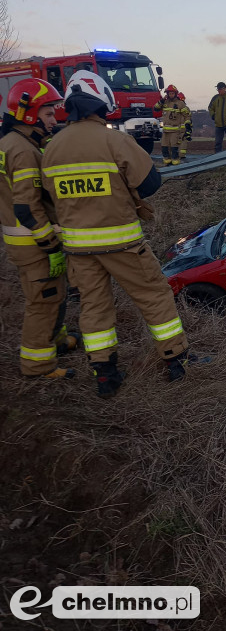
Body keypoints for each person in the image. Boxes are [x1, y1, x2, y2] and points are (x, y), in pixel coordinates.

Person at [41, 71, 191, 398]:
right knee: (154, 295)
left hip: (79, 249)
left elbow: (52, 198)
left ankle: (106, 374)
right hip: (122, 243)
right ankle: (177, 360)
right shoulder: (114, 140)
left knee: (94, 307)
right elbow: (150, 184)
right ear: (101, 103)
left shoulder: (52, 148)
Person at [0, 79, 80, 380]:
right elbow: (27, 207)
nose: (54, 120)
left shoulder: (12, 142)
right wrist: (50, 244)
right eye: (48, 114)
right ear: (29, 114)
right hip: (34, 244)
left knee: (54, 294)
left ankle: (56, 341)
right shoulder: (22, 151)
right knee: (42, 301)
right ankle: (37, 364)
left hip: (24, 242)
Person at [154, 84, 189, 166]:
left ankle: (176, 166)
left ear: (175, 94)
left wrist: (187, 124)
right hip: (165, 131)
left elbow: (187, 115)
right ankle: (167, 164)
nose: (171, 95)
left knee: (174, 149)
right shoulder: (164, 102)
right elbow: (155, 108)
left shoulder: (180, 104)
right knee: (164, 148)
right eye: (169, 93)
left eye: (172, 93)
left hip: (175, 131)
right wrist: (161, 100)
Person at [177, 92, 192, 159]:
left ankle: (175, 156)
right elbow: (189, 120)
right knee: (183, 143)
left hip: (176, 130)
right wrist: (189, 131)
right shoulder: (186, 109)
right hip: (183, 130)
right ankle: (182, 156)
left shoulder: (174, 108)